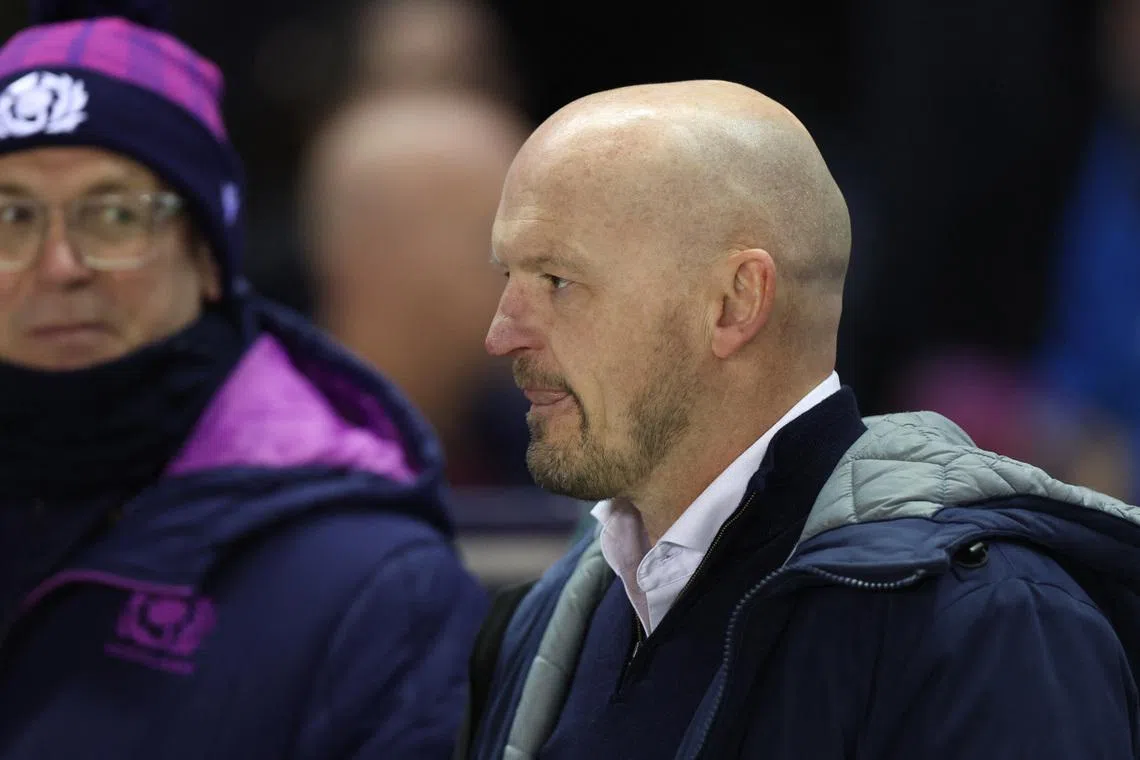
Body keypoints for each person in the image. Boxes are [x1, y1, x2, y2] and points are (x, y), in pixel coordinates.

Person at [459, 79, 1140, 759]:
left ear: (735, 302)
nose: (502, 333)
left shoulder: (985, 622)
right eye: (507, 278)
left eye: (557, 281)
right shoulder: (548, 620)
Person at [0, 3, 486, 759]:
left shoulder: (368, 583)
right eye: (11, 217)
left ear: (208, 255)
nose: (59, 266)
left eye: (116, 216)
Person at [303, 90, 531, 487]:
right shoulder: (265, 458)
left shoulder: (544, 440)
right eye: (497, 240)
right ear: (379, 251)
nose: (531, 279)